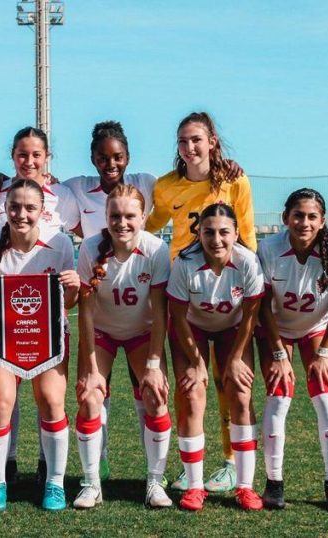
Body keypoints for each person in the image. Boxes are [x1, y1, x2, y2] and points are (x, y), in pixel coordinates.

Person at [146, 112, 252, 493]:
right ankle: (190, 466)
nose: (190, 148)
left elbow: (248, 235)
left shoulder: (234, 181)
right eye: (183, 141)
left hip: (226, 294)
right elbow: (149, 225)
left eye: (196, 140)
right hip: (184, 293)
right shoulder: (165, 186)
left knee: (230, 382)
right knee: (190, 385)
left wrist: (246, 282)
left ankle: (230, 463)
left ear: (212, 142)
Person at [0, 126, 80, 485]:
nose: (29, 161)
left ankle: (49, 470)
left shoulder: (65, 201)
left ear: (47, 157)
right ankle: (3, 467)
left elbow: (93, 229)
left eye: (36, 154)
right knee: (3, 401)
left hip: (47, 328)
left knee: (50, 399)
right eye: (22, 154)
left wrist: (82, 281)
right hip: (3, 327)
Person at [64, 121, 156, 479]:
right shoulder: (76, 190)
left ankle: (154, 472)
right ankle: (96, 466)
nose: (110, 163)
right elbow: (41, 187)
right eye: (103, 157)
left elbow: (189, 185)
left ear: (128, 157)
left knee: (146, 390)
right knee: (94, 391)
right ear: (93, 158)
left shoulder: (147, 183)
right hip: (98, 306)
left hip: (137, 309)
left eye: (117, 156)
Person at [256, 188, 328, 511]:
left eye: (312, 216)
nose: (305, 222)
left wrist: (326, 349)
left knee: (325, 393)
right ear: (285, 218)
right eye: (298, 215)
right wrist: (278, 353)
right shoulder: (268, 248)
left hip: (317, 328)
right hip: (277, 330)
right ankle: (274, 483)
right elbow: (263, 308)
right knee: (279, 393)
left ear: (323, 221)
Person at [73, 184, 172, 509]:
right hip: (101, 331)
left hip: (141, 332)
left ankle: (155, 483)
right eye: (115, 215)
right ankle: (91, 484)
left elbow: (160, 313)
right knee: (89, 397)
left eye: (130, 215)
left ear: (143, 217)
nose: (122, 222)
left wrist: (155, 366)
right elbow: (85, 312)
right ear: (106, 216)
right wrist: (89, 367)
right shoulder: (90, 249)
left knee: (156, 396)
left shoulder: (156, 250)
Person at [166, 202, 264, 511]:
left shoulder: (248, 262)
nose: (217, 240)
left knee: (241, 393)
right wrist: (197, 362)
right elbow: (178, 317)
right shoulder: (184, 263)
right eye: (209, 232)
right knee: (193, 395)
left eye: (224, 232)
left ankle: (245, 486)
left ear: (236, 233)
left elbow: (250, 316)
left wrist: (234, 359)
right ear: (199, 233)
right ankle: (195, 487)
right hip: (190, 329)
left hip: (232, 330)